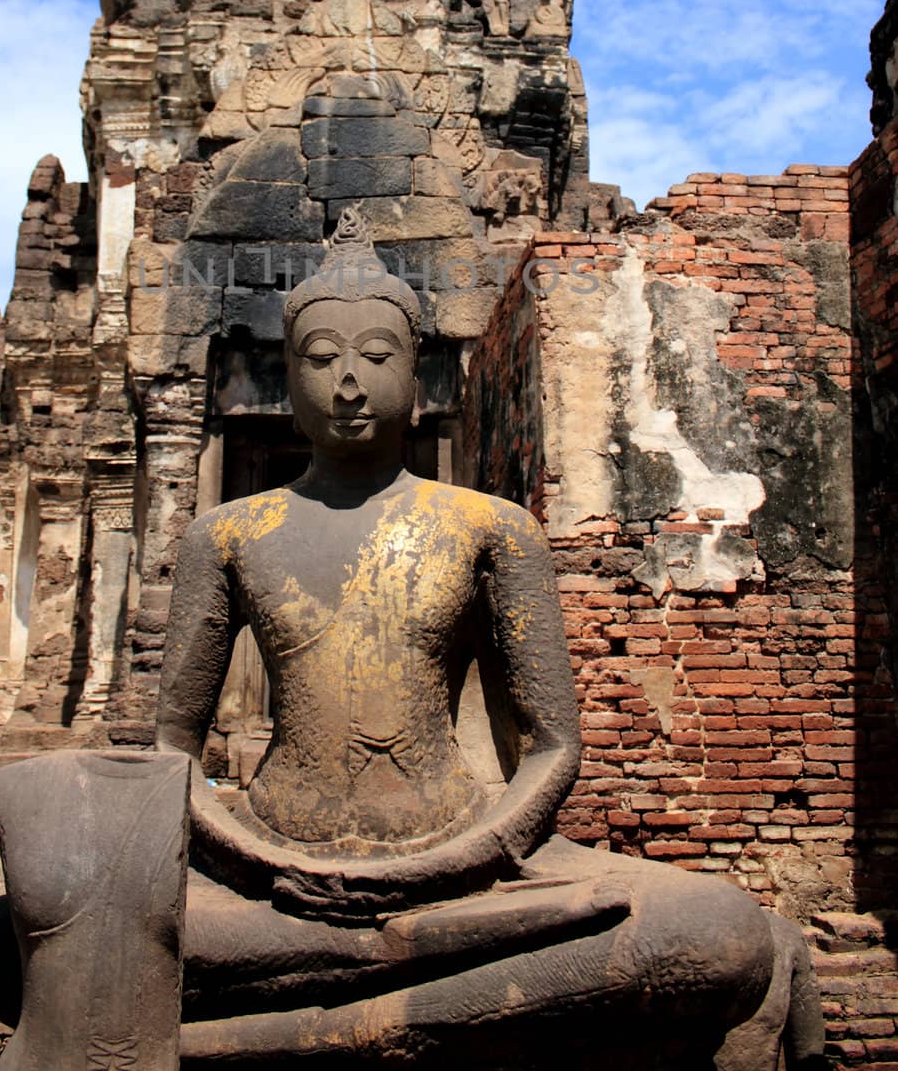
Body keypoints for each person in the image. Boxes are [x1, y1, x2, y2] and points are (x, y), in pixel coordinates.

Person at [157, 207, 824, 1068]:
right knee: (19, 939)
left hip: (464, 869)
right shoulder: (227, 534)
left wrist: (475, 851)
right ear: (288, 375)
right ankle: (409, 1006)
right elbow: (173, 747)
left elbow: (552, 746)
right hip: (275, 876)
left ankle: (295, 1030)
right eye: (321, 361)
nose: (348, 384)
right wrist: (255, 856)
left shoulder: (489, 529)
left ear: (420, 375)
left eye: (375, 357)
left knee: (719, 937)